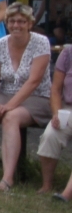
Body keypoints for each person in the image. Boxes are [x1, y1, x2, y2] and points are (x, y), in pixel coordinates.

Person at [0, 4, 51, 192]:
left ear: (29, 24)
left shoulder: (41, 42)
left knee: (10, 117)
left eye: (21, 21)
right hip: (6, 93)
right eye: (12, 21)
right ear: (7, 23)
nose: (16, 25)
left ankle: (7, 179)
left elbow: (34, 81)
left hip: (37, 96)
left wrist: (9, 106)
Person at [37, 44, 72, 200]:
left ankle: (66, 194)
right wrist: (56, 113)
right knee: (51, 134)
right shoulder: (68, 53)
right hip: (68, 109)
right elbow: (56, 90)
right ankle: (47, 185)